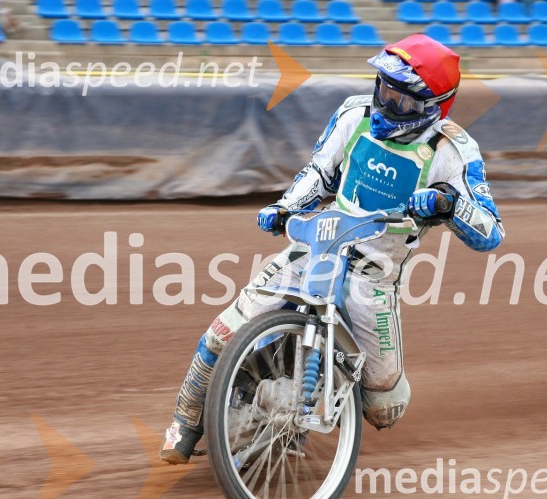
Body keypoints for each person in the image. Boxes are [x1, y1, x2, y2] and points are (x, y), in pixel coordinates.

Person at [160, 34, 505, 464]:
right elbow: (319, 172)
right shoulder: (352, 113)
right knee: (223, 331)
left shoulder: (453, 151)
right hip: (317, 246)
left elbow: (491, 232)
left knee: (384, 404)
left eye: (403, 100)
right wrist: (285, 206)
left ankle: (321, 400)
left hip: (374, 272)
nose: (388, 103)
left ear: (435, 106)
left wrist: (449, 204)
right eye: (385, 88)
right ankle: (185, 423)